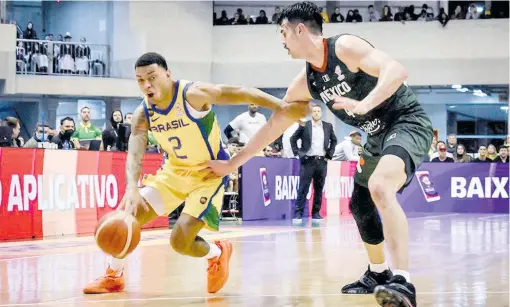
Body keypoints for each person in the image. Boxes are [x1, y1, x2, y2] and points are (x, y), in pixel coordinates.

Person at [83, 52, 308, 295]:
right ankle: (113, 276)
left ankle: (218, 252)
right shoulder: (143, 113)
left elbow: (245, 92)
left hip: (208, 174)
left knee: (180, 241)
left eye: (152, 77)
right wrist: (132, 189)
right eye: (140, 80)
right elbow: (135, 154)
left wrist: (281, 106)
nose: (147, 85)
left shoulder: (193, 94)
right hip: (173, 173)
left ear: (168, 74)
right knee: (127, 215)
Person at [263, 2, 431, 307]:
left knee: (380, 187)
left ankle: (404, 282)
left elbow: (396, 70)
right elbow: (279, 119)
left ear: (300, 29)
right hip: (377, 137)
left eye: (284, 32)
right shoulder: (308, 81)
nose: (282, 40)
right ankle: (378, 273)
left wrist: (363, 104)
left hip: (406, 122)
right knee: (359, 202)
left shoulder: (344, 46)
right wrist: (234, 162)